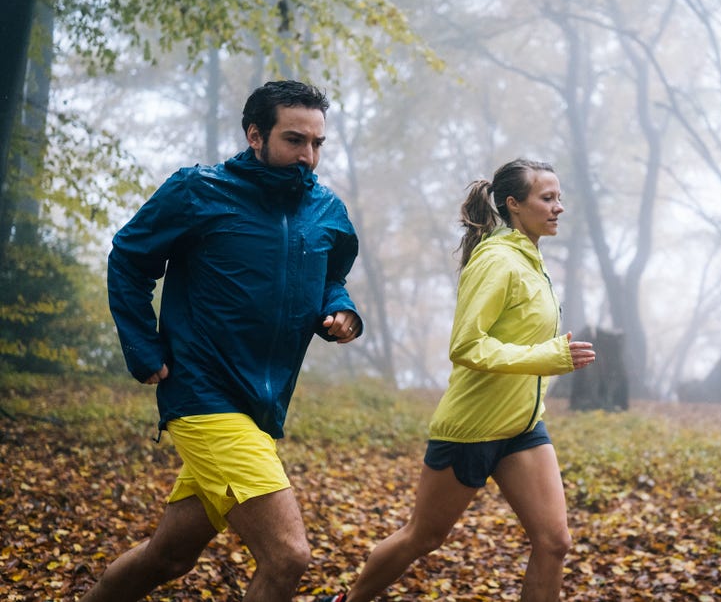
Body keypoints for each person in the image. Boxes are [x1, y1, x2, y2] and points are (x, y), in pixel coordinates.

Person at [81, 80, 363, 602]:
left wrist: (340, 310)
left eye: (317, 144)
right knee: (288, 555)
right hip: (202, 393)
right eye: (294, 140)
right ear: (255, 135)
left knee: (168, 557)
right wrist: (143, 347)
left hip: (263, 406)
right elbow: (129, 258)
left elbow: (331, 278)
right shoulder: (199, 191)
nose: (308, 156)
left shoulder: (327, 212)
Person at [324, 159, 596, 602]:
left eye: (559, 198)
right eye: (547, 198)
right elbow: (467, 346)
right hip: (472, 429)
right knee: (423, 537)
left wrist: (545, 359)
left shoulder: (531, 260)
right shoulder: (497, 260)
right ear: (514, 204)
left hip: (523, 428)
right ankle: (347, 601)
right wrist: (547, 356)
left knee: (554, 542)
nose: (558, 207)